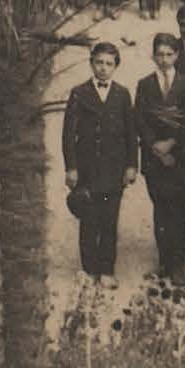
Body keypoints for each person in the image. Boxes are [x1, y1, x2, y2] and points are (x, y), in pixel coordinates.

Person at [63, 42, 136, 278]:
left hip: (114, 169)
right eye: (99, 63)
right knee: (89, 220)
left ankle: (107, 270)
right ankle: (89, 270)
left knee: (109, 221)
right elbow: (68, 134)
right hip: (87, 168)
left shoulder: (122, 94)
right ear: (91, 63)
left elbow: (130, 134)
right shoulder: (79, 93)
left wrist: (131, 166)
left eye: (109, 64)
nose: (103, 68)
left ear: (116, 67)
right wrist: (71, 167)